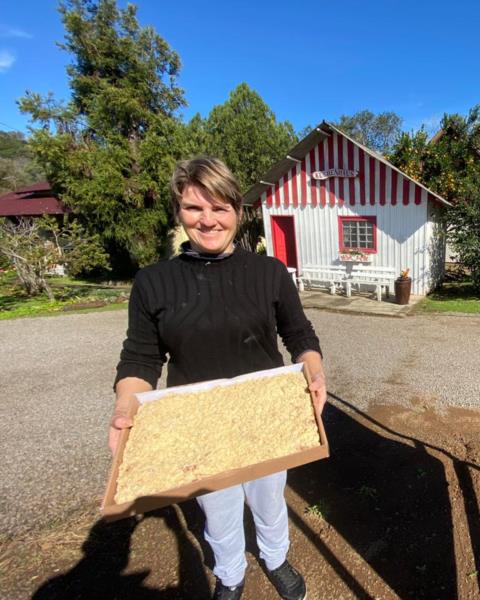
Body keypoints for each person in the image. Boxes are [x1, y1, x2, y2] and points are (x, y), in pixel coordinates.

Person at [108, 157, 325, 600]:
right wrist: (126, 406)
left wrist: (314, 371)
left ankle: (275, 557)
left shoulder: (269, 273)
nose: (208, 220)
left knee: (268, 499)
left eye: (220, 207)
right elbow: (141, 357)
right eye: (193, 208)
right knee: (219, 510)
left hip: (267, 416)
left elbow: (298, 333)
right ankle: (229, 574)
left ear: (238, 212)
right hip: (198, 425)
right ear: (178, 212)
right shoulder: (153, 283)